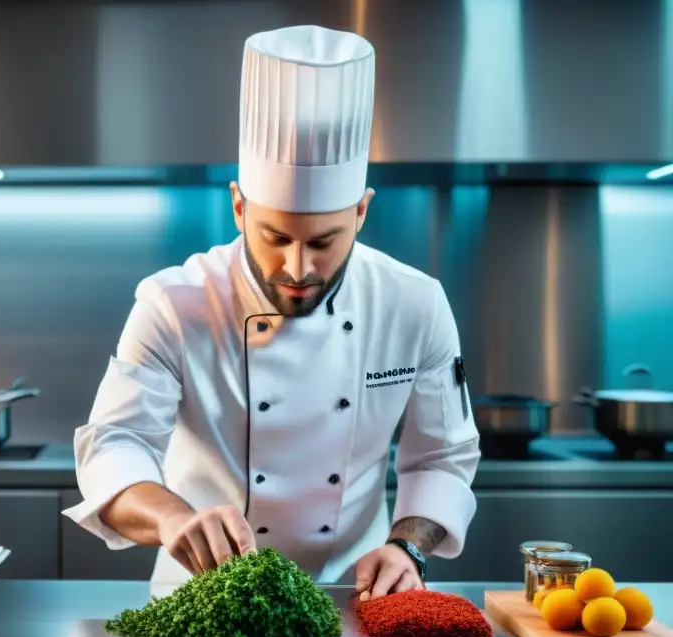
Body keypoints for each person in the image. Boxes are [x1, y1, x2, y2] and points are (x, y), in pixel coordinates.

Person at [62, 25, 480, 597]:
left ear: (361, 213)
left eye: (324, 240)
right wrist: (174, 519)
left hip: (354, 599)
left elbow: (443, 457)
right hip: (200, 601)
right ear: (238, 206)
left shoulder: (414, 304)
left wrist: (406, 547)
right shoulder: (175, 304)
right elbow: (115, 444)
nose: (299, 267)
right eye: (276, 237)